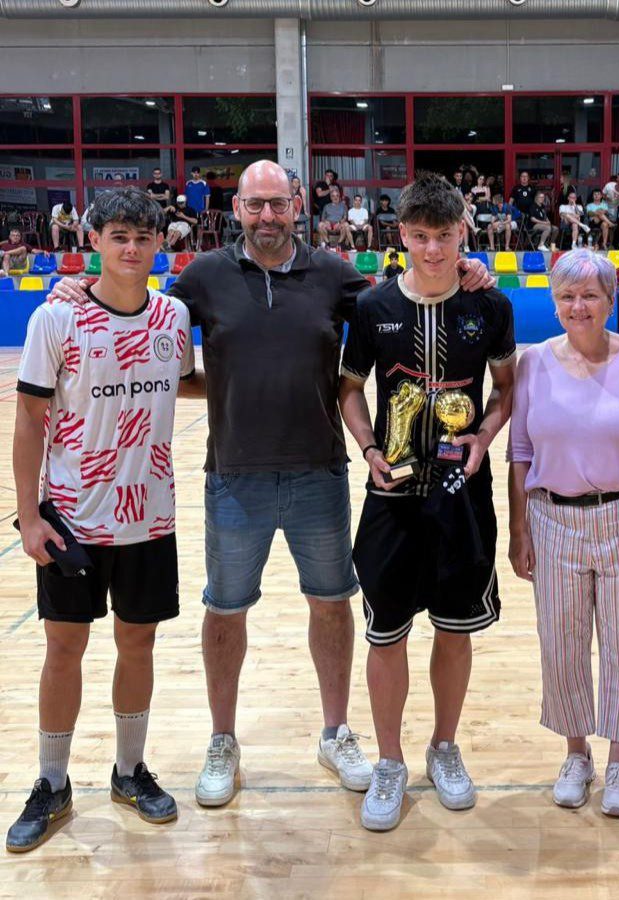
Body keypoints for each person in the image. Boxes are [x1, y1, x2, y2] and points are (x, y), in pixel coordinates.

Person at [48, 161, 493, 811]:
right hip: (233, 476)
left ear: (296, 205)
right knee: (226, 609)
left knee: (332, 603)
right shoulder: (204, 277)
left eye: (278, 204)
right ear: (237, 208)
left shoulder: (336, 274)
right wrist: (80, 289)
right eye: (255, 205)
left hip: (320, 471)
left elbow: (408, 292)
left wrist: (468, 269)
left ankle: (336, 733)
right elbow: (138, 307)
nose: (267, 216)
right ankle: (222, 739)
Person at [6, 188, 195, 853]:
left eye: (144, 237)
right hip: (73, 519)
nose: (132, 248)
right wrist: (29, 517)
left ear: (159, 245)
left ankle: (129, 770)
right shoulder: (56, 319)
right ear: (93, 241)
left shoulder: (174, 316)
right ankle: (52, 781)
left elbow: (188, 382)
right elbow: (29, 418)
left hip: (150, 517)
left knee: (137, 645)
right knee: (64, 648)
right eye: (119, 236)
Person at [338, 172, 515, 833]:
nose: (434, 250)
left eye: (444, 236)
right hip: (392, 496)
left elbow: (506, 389)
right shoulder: (373, 306)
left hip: (462, 493)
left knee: (455, 626)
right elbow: (349, 389)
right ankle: (389, 761)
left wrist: (484, 437)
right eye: (420, 236)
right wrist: (367, 447)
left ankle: (444, 746)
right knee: (386, 632)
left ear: (463, 232)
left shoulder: (490, 306)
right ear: (402, 236)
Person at [508, 248, 619, 815]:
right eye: (567, 296)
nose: (578, 306)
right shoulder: (534, 362)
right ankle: (576, 753)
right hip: (552, 518)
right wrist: (519, 529)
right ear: (553, 303)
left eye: (589, 295)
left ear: (611, 299)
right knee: (561, 642)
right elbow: (520, 452)